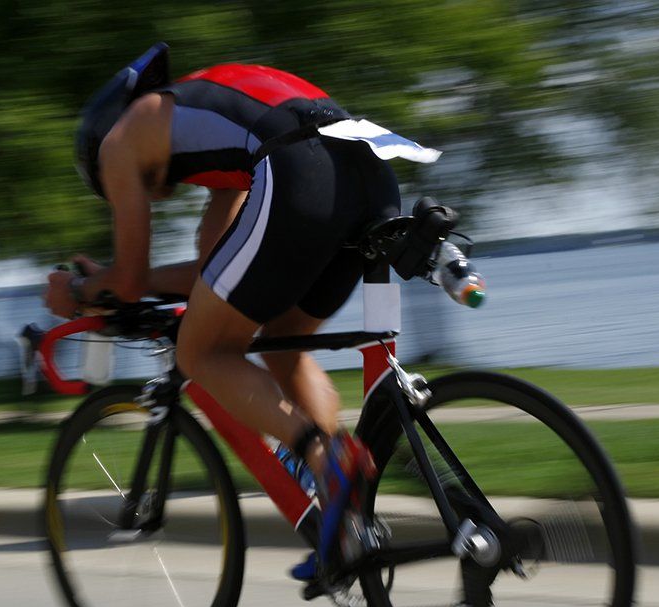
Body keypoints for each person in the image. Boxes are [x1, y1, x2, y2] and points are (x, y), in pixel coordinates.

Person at [44, 42, 437, 579]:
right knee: (285, 348)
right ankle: (346, 527)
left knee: (201, 350)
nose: (146, 198)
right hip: (367, 166)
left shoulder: (117, 142)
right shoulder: (212, 121)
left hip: (300, 167)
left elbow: (131, 283)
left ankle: (324, 460)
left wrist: (79, 292)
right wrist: (115, 285)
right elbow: (217, 273)